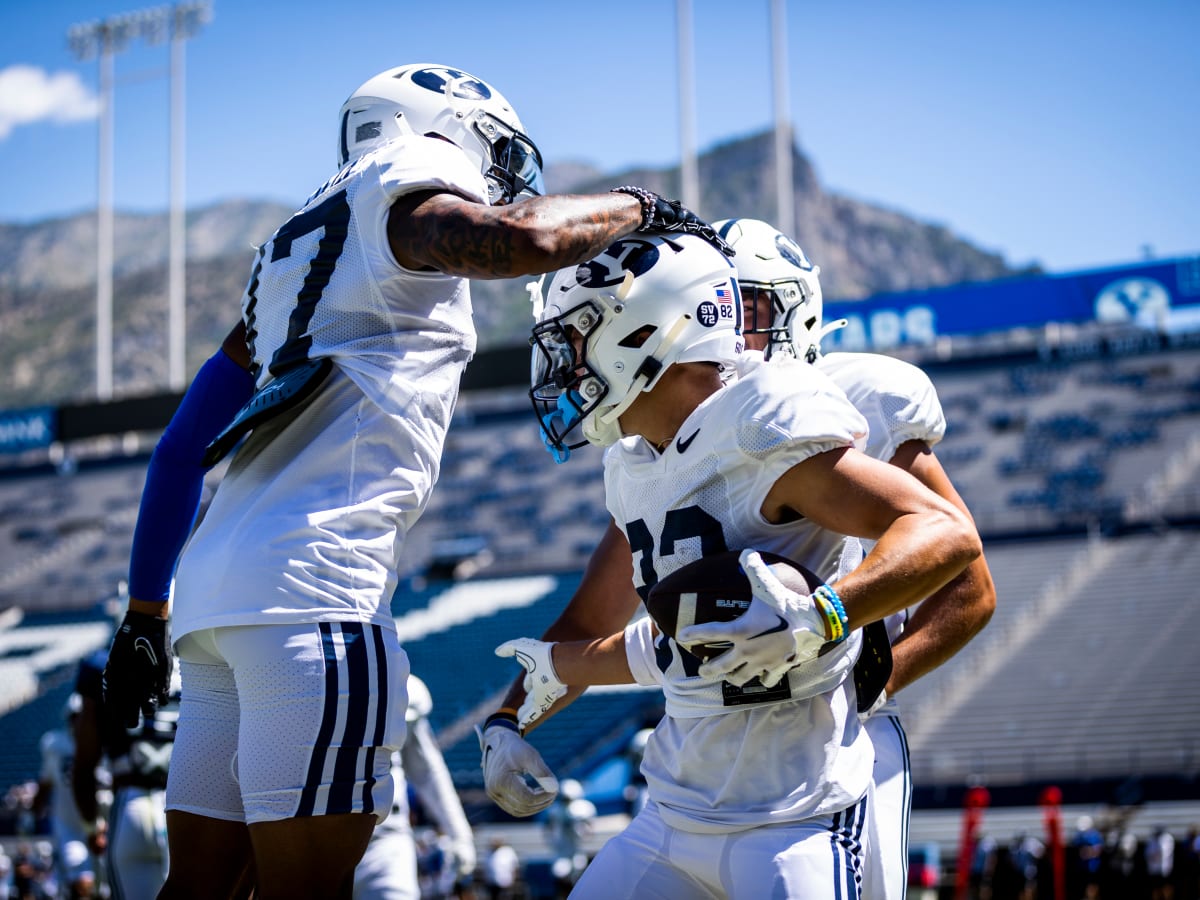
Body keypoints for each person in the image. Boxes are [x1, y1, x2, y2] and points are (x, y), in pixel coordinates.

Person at [99, 62, 731, 900]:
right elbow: (524, 241)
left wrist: (146, 611)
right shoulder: (399, 182)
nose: (498, 176)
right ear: (444, 124)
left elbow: (180, 448)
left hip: (213, 605)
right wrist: (639, 207)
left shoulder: (289, 255)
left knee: (197, 891)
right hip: (314, 595)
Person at [485, 219, 996, 896]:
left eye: (748, 306)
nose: (737, 337)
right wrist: (505, 719)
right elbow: (599, 623)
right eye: (727, 307)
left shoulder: (788, 411)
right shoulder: (640, 461)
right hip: (685, 791)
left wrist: (834, 639)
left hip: (814, 782)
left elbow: (956, 558)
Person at [74, 641, 182, 900]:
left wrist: (91, 827)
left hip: (130, 806)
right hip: (182, 806)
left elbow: (84, 764)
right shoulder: (195, 655)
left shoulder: (101, 665)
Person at [353, 674, 475, 900]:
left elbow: (427, 771)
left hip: (384, 840)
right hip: (313, 834)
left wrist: (460, 835)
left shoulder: (399, 685)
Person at [34, 693, 97, 899]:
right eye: (76, 716)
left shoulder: (103, 743)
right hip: (70, 826)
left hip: (103, 824)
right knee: (82, 882)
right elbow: (45, 782)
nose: (81, 721)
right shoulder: (56, 745)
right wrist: (34, 811)